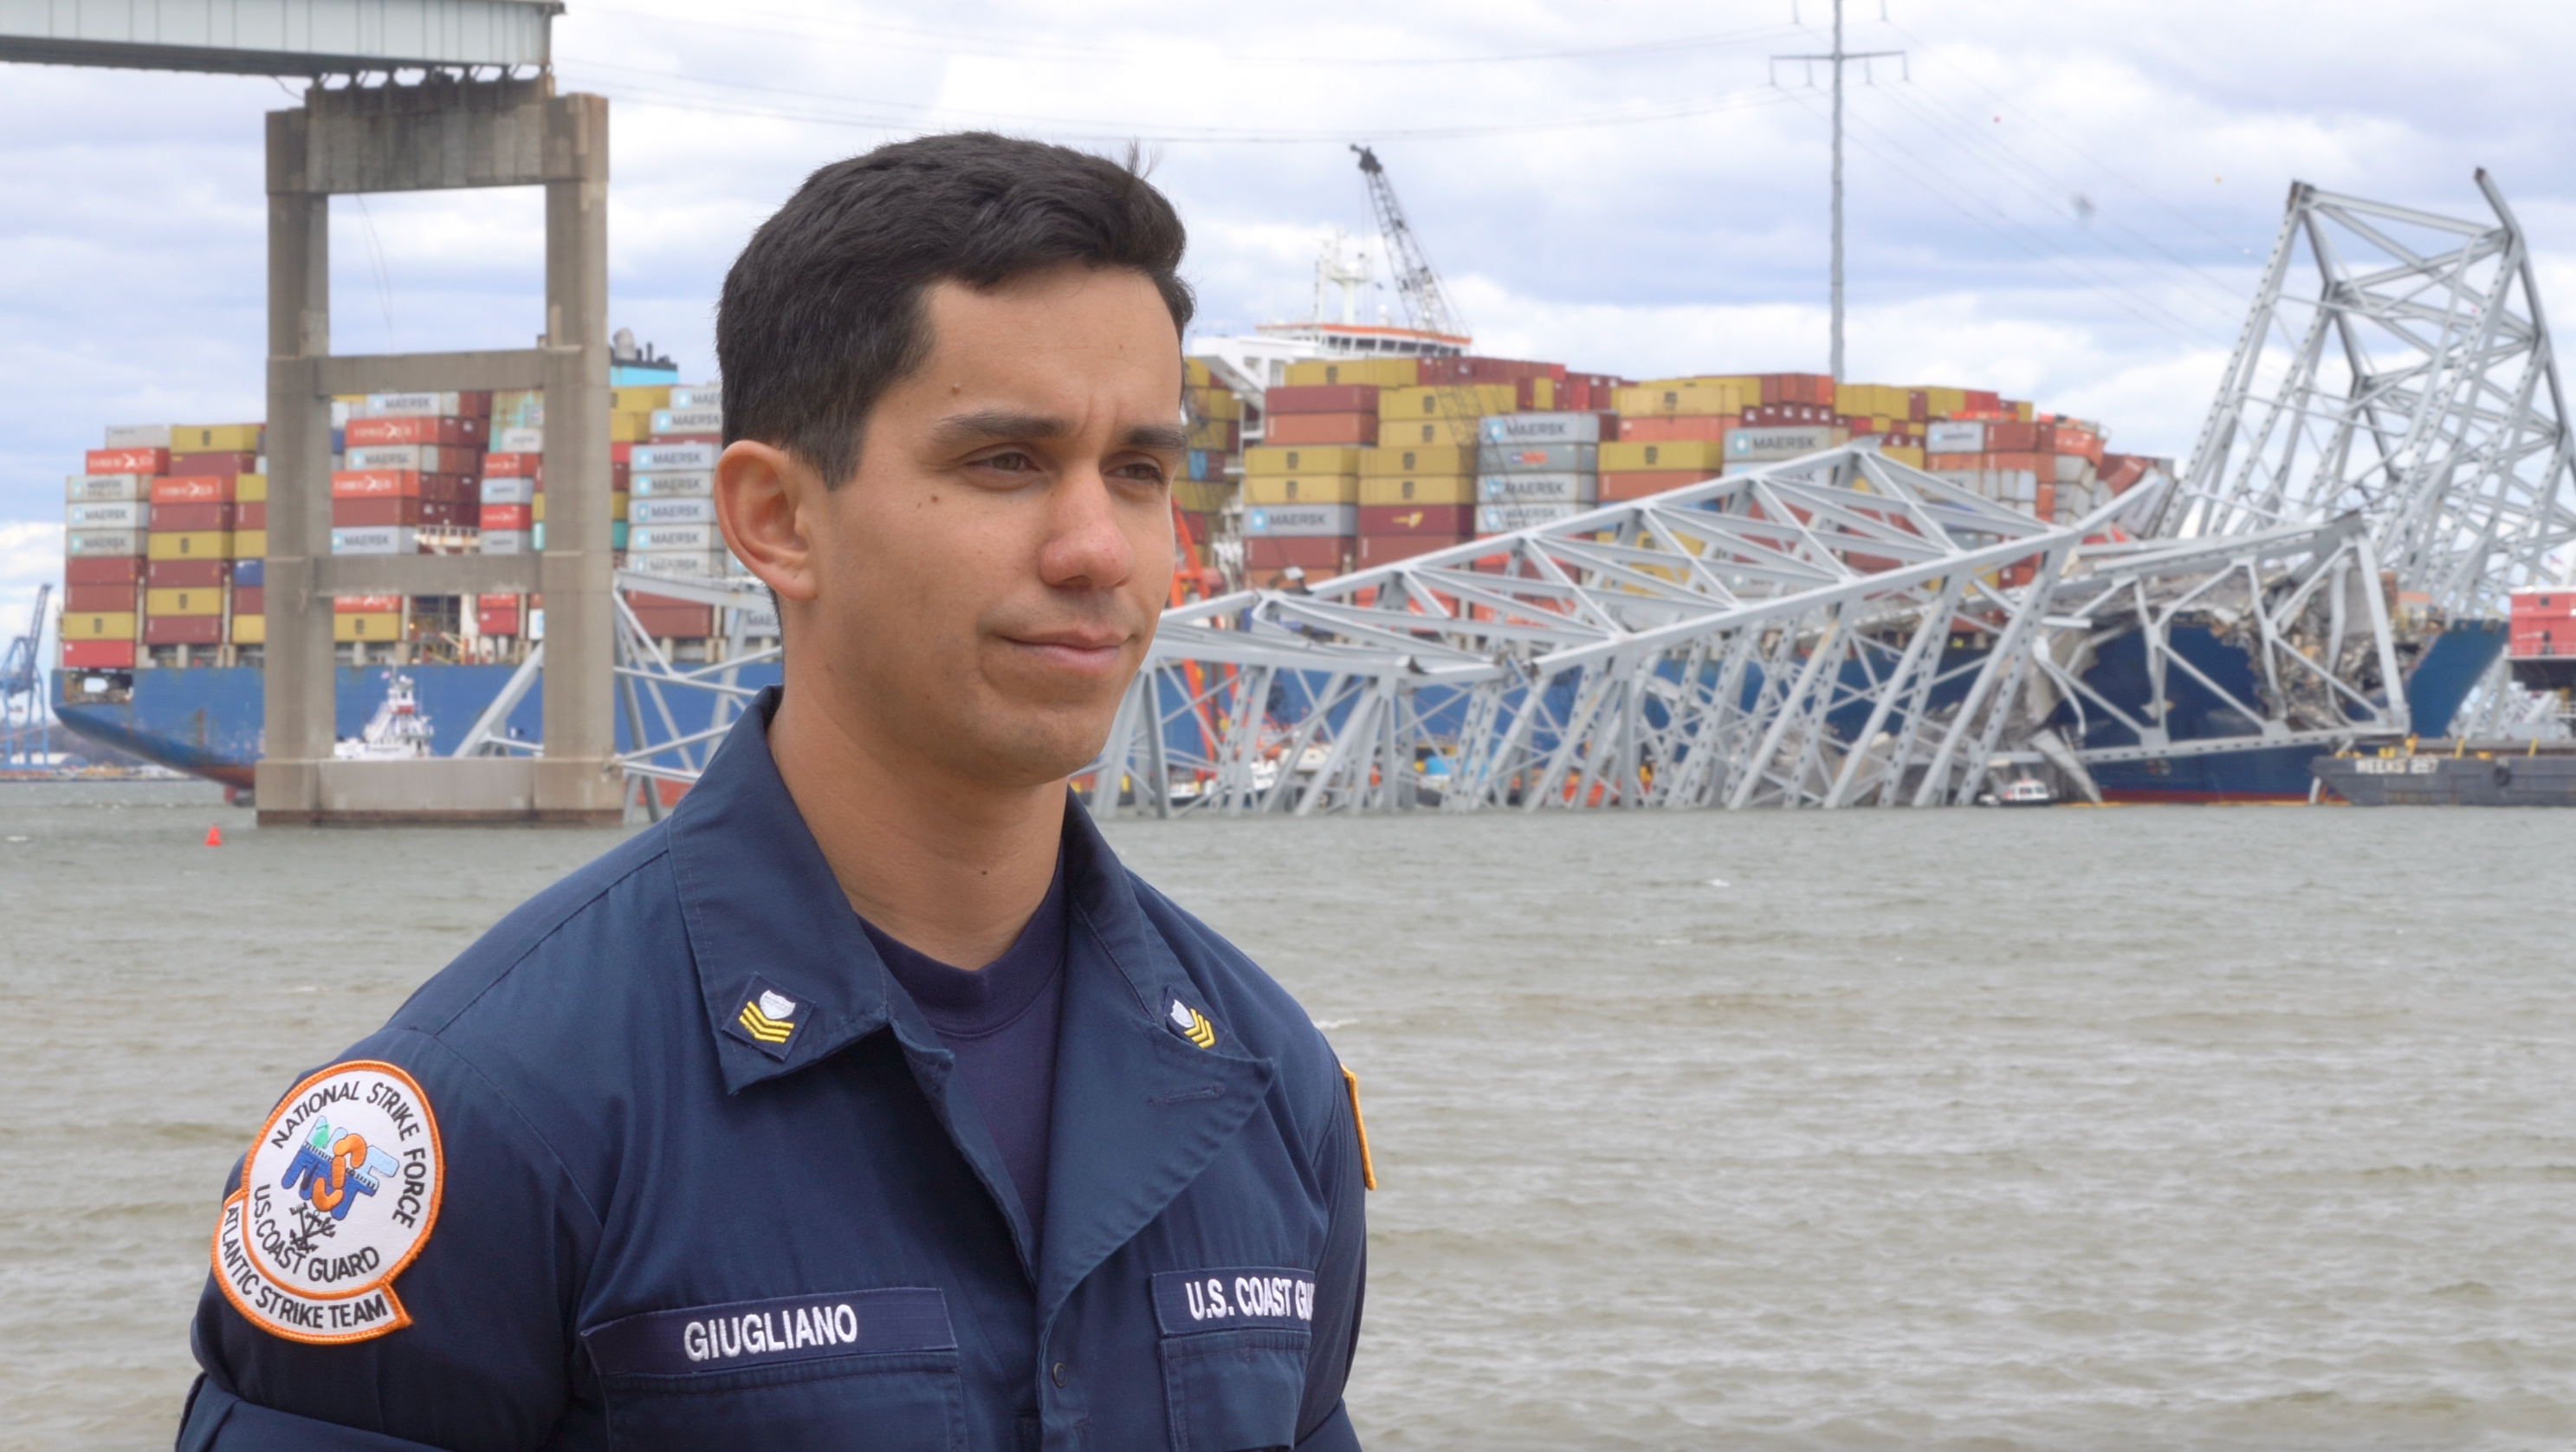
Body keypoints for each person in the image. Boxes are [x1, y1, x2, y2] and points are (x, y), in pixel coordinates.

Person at [179, 132, 1372, 1452]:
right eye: (1006, 462)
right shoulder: (482, 1122)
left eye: (1138, 472)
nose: (1099, 550)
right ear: (776, 519)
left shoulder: (1271, 1088)